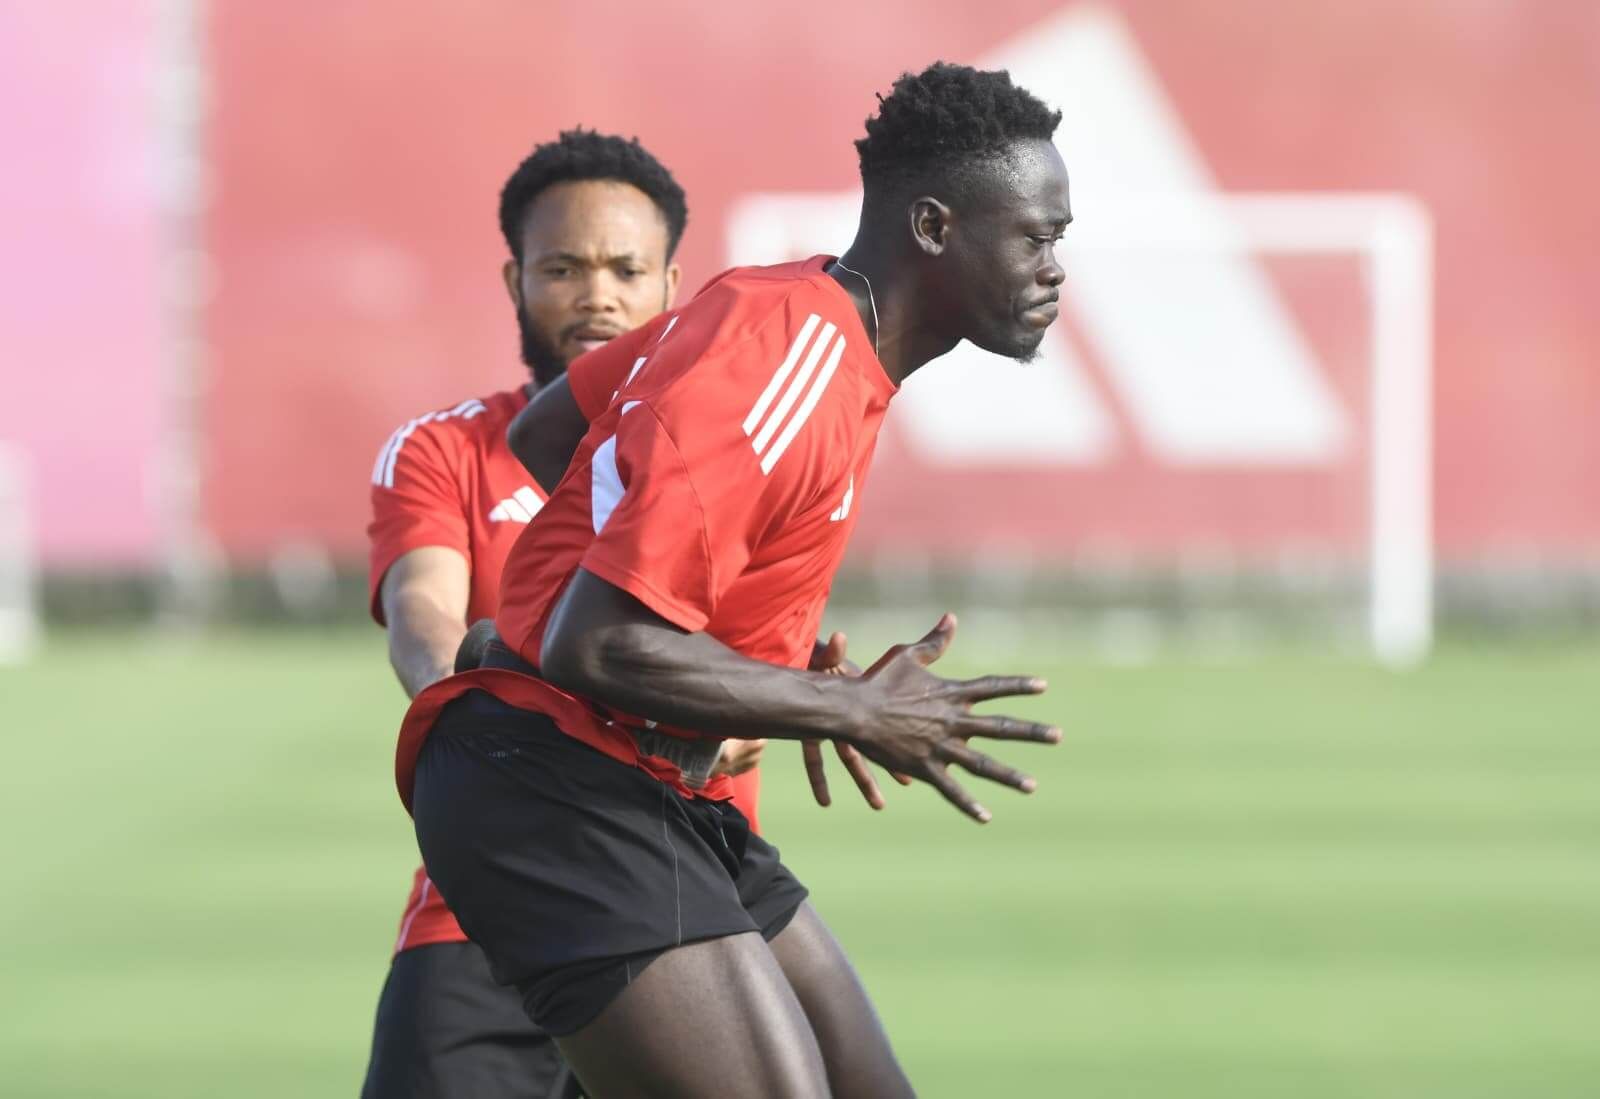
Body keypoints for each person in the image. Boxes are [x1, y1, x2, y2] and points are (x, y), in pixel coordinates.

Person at [395, 62, 1070, 1097]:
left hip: (646, 782)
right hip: (548, 774)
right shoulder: (788, 351)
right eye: (1035, 235)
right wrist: (845, 710)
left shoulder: (780, 313)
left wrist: (753, 653)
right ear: (934, 226)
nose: (1053, 267)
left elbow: (546, 434)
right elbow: (600, 642)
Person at [361, 129, 774, 1098]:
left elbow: (755, 661)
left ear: (672, 286)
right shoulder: (443, 449)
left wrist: (777, 701)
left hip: (688, 918)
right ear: (514, 281)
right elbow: (422, 614)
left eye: (627, 269)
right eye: (563, 267)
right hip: (487, 912)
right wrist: (470, 694)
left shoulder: (739, 454)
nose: (599, 294)